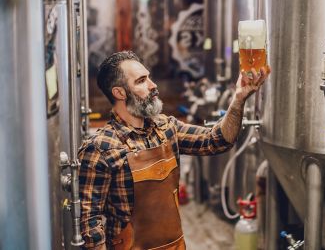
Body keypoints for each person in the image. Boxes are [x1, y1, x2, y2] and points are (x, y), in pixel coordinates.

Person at [78, 50, 268, 250]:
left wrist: (238, 100)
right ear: (119, 93)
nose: (153, 86)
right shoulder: (100, 147)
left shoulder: (166, 128)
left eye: (149, 77)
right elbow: (90, 224)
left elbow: (217, 140)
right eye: (142, 81)